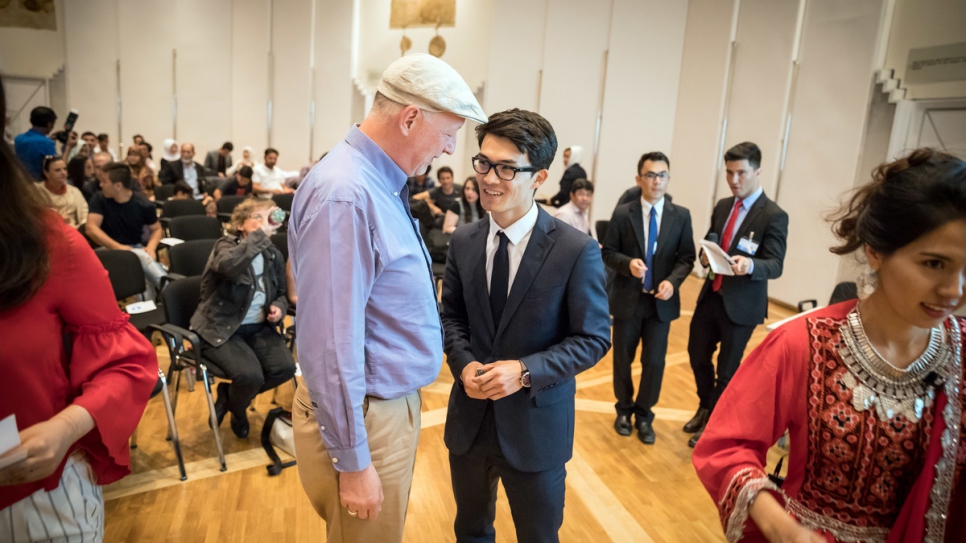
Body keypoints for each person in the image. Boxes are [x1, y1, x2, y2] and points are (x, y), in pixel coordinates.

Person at [693, 148, 966, 542]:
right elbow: (728, 445)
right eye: (934, 264)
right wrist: (781, 527)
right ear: (875, 251)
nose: (954, 292)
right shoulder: (804, 343)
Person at [289, 53, 486, 542]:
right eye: (448, 133)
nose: (448, 149)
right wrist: (354, 462)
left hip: (379, 409)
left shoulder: (374, 182)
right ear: (411, 117)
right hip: (366, 417)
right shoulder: (347, 194)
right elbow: (331, 344)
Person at [442, 109, 611, 543]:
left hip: (536, 430)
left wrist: (523, 371)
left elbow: (593, 338)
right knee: (471, 530)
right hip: (471, 423)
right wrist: (463, 365)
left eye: (506, 168)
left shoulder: (575, 250)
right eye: (483, 163)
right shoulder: (463, 241)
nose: (489, 178)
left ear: (539, 177)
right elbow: (452, 318)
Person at [0, 74, 157, 541]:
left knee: (146, 262)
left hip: (29, 495)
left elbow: (126, 363)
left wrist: (65, 428)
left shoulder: (45, 242)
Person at [685, 141, 789, 448]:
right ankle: (706, 406)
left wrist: (751, 264)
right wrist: (705, 257)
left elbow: (776, 264)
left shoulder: (773, 215)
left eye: (741, 173)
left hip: (742, 306)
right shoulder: (722, 206)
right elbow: (712, 241)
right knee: (696, 355)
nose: (734, 180)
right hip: (712, 295)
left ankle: (713, 423)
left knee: (727, 372)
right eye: (729, 173)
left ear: (757, 171)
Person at [601, 152, 695, 444]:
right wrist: (627, 264)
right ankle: (623, 409)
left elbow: (687, 258)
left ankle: (644, 416)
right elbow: (608, 252)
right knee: (622, 361)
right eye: (651, 175)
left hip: (660, 303)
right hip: (629, 299)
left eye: (662, 175)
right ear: (639, 179)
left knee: (654, 363)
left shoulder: (681, 215)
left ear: (668, 178)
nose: (657, 181)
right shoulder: (623, 213)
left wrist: (673, 281)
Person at [190, 198, 296, 439]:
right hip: (222, 328)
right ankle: (239, 411)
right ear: (240, 225)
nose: (263, 223)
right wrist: (258, 236)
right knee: (250, 376)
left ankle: (230, 398)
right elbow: (228, 267)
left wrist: (278, 308)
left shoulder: (272, 254)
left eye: (266, 218)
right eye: (256, 218)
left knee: (285, 368)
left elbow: (281, 293)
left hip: (258, 327)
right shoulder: (225, 246)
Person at [85, 162, 166, 299]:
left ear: (118, 186)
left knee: (141, 266)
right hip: (106, 250)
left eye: (104, 181)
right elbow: (91, 228)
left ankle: (147, 306)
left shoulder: (142, 203)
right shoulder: (99, 199)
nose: (101, 185)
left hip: (135, 248)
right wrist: (118, 247)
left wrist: (151, 247)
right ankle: (169, 287)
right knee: (139, 258)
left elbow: (157, 229)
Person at [37, 155, 88, 229]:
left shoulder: (74, 191)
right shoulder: (36, 191)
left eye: (65, 169)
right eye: (57, 170)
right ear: (46, 173)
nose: (63, 173)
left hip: (74, 231)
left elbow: (84, 215)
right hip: (47, 231)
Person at [14, 106, 58, 180]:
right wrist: (68, 147)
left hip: (21, 180)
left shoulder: (18, 138)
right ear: (49, 124)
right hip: (39, 183)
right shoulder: (46, 142)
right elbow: (56, 167)